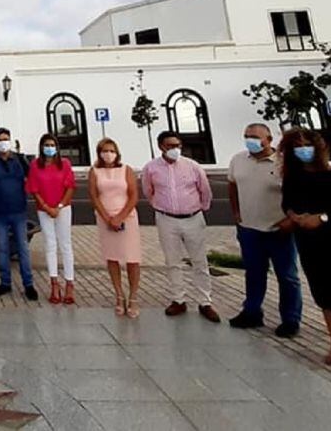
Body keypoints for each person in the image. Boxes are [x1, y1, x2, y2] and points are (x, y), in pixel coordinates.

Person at [281, 127, 331, 370]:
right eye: (297, 146)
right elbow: (287, 203)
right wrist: (294, 216)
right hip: (308, 242)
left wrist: (322, 217)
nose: (302, 150)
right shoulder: (293, 178)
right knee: (323, 295)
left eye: (306, 144)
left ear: (318, 147)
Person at [227, 123, 302, 337]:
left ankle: (290, 319)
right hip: (250, 229)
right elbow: (232, 186)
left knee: (287, 276)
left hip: (279, 230)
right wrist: (237, 214)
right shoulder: (238, 160)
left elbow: (298, 193)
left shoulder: (283, 163)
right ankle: (252, 311)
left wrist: (291, 220)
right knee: (254, 273)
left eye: (255, 137)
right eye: (246, 136)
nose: (250, 140)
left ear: (269, 140)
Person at [142, 130, 220, 322]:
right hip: (166, 219)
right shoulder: (151, 168)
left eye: (177, 146)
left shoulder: (192, 166)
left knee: (199, 261)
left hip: (193, 218)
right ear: (161, 147)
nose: (174, 150)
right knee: (172, 261)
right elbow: (147, 191)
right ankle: (178, 299)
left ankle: (205, 301)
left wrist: (199, 209)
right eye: (170, 146)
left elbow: (205, 191)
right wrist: (162, 207)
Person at [0, 128, 38, 301]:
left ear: (10, 140)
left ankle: (28, 284)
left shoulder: (20, 160)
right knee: (2, 248)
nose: (3, 142)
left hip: (19, 212)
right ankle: (5, 283)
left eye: (5, 139)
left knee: (23, 249)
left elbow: (33, 179)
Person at [88, 137, 141, 317]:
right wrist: (107, 218)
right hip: (105, 218)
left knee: (132, 258)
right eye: (104, 151)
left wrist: (120, 217)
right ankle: (119, 295)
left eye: (111, 151)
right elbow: (94, 196)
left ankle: (133, 296)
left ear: (117, 153)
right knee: (112, 258)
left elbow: (133, 195)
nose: (108, 154)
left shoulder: (126, 170)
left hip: (127, 217)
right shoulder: (94, 171)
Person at [26, 133, 75, 305]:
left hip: (63, 209)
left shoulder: (65, 164)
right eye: (46, 144)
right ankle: (54, 283)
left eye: (52, 144)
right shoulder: (35, 165)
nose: (49, 148)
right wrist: (47, 207)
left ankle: (69, 283)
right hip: (44, 210)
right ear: (41, 147)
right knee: (50, 245)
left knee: (65, 245)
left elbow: (70, 187)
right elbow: (34, 189)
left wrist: (59, 206)